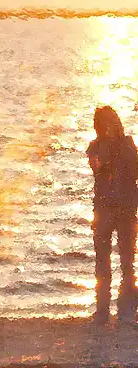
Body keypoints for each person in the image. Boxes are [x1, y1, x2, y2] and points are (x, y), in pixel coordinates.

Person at [86, 106, 138, 325]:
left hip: (125, 209)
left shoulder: (127, 144)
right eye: (103, 124)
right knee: (102, 262)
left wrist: (121, 151)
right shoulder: (95, 147)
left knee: (127, 262)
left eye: (110, 123)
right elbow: (96, 167)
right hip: (105, 209)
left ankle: (126, 311)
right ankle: (102, 310)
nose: (107, 128)